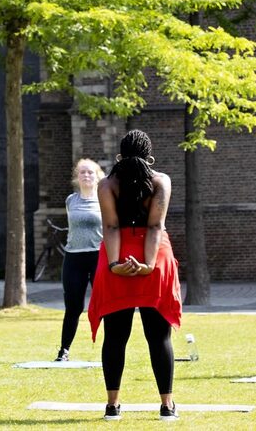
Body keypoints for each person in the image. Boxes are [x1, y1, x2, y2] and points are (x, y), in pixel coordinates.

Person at [87, 130, 182, 421]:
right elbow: (155, 227)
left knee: (115, 336)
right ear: (149, 155)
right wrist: (149, 265)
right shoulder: (160, 181)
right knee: (159, 336)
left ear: (120, 155)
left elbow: (111, 228)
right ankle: (167, 406)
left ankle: (112, 406)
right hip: (155, 256)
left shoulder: (107, 185)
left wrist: (116, 264)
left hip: (118, 254)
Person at [54, 158, 105, 363]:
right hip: (74, 257)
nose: (86, 175)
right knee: (73, 307)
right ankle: (64, 351)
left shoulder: (104, 199)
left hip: (98, 256)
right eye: (82, 172)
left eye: (90, 172)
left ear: (97, 176)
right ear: (77, 176)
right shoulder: (70, 200)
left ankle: (111, 349)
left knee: (104, 305)